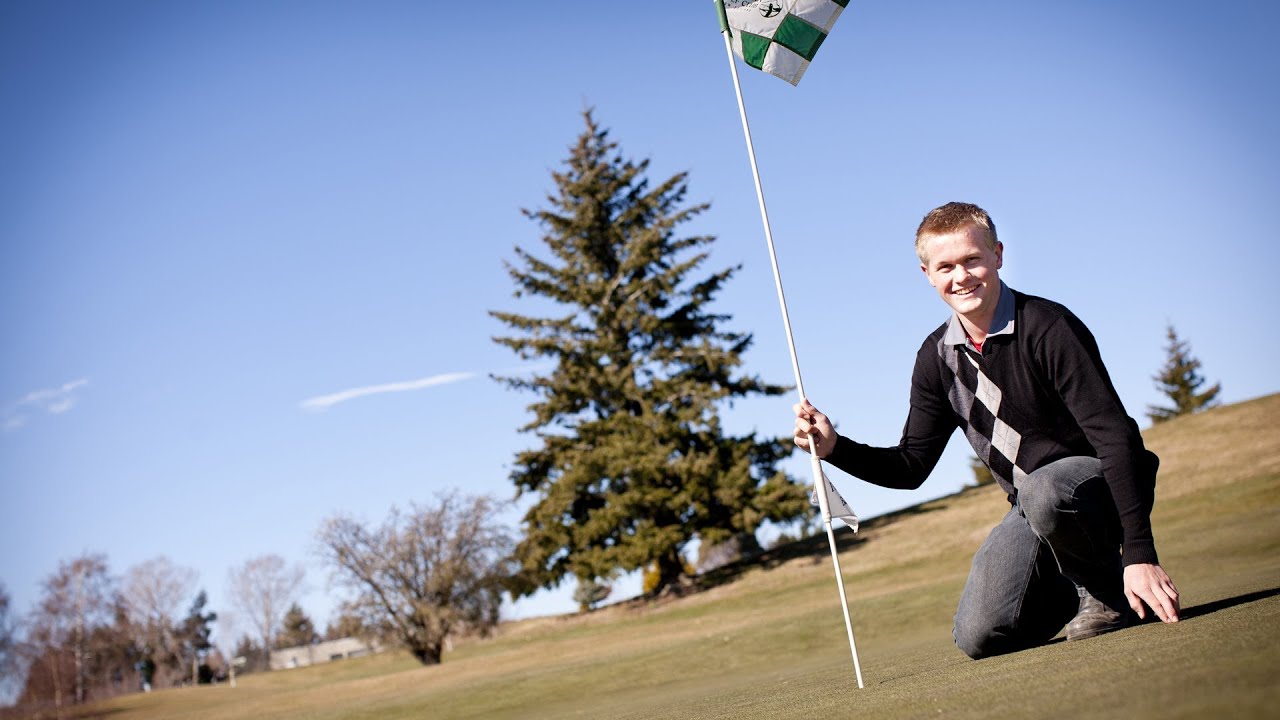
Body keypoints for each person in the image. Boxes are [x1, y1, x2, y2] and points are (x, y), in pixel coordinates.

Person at [794, 202, 1179, 659]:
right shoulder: (935, 358)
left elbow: (1117, 438)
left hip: (1098, 488)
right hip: (1035, 509)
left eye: (972, 259)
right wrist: (836, 447)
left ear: (997, 254)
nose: (962, 276)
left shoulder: (1049, 326)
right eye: (946, 267)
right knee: (979, 636)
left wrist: (1139, 552)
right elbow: (911, 466)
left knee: (1046, 488)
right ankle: (1080, 587)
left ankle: (1112, 595)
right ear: (927, 275)